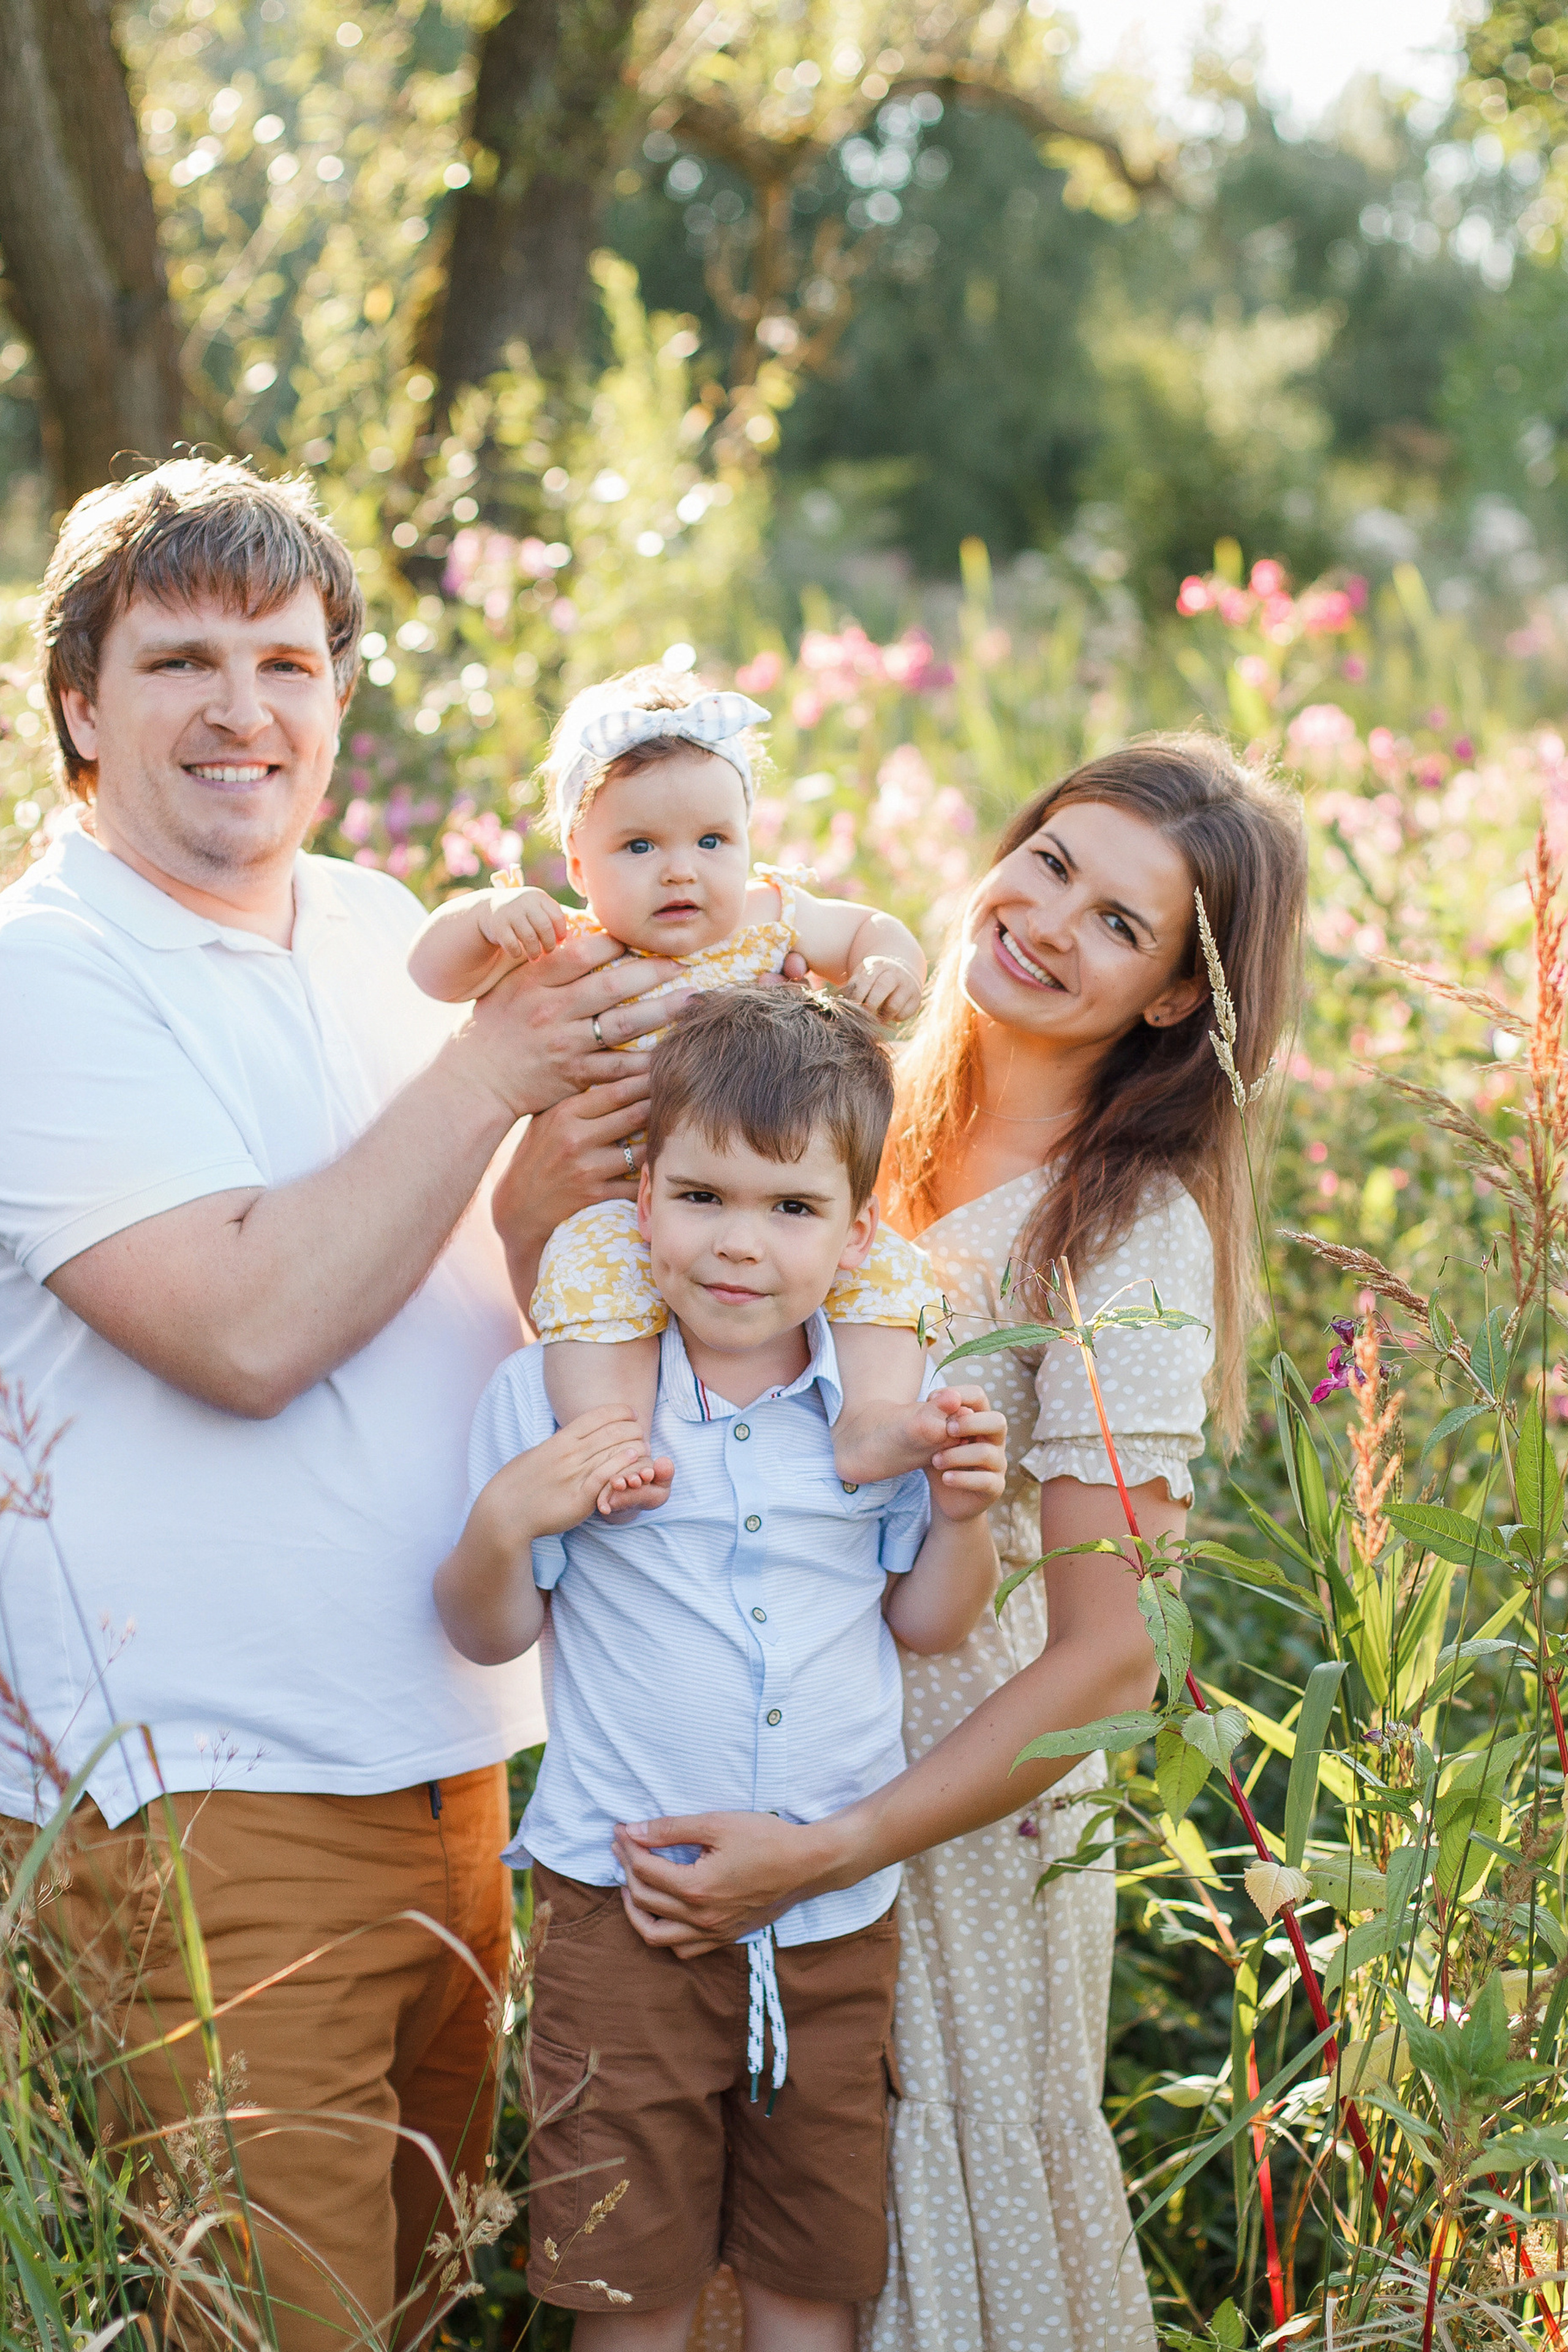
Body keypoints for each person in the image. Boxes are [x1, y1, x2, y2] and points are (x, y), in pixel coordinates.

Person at [0, 456, 696, 2352]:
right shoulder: (43, 980)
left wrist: (608, 1128)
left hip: (453, 1764)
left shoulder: (377, 931)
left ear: (337, 698)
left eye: (289, 662)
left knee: (405, 2314)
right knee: (275, 2325)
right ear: (78, 703)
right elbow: (242, 1330)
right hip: (207, 1796)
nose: (246, 710)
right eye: (182, 662)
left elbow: (477, 1270)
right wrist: (491, 1077)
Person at [581, 738, 1308, 2351]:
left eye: (1120, 925)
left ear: (1177, 999)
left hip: (945, 1821)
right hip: (741, 1763)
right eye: (1049, 860)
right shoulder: (854, 1096)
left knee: (902, 2247)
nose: (1047, 922)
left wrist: (844, 1844)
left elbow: (1112, 1659)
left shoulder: (1125, 1230)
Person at [435, 988, 1011, 2352]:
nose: (739, 1245)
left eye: (790, 1208)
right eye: (701, 1195)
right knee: (621, 2284)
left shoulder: (877, 1420)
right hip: (620, 1914)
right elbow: (484, 1633)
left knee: (807, 2280)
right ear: (640, 1206)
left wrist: (971, 1515)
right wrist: (506, 1520)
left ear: (856, 1233)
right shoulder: (564, 1402)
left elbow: (928, 1621)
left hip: (824, 1919)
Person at [409, 666, 944, 1507]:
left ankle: (869, 1419)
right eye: (639, 847)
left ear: (747, 842)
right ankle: (610, 1443)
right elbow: (431, 972)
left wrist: (890, 968)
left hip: (760, 1206)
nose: (681, 872)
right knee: (592, 1271)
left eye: (711, 842)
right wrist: (482, 920)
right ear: (579, 864)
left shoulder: (773, 918)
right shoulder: (572, 944)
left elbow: (872, 928)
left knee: (883, 1271)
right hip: (627, 1207)